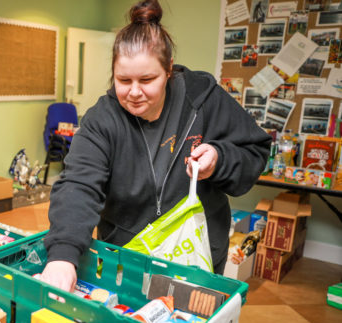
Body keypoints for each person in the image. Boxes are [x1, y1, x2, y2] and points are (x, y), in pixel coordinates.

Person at [40, 0, 272, 292]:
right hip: (127, 258)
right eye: (123, 80)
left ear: (169, 70)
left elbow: (255, 152)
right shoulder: (103, 118)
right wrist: (63, 255)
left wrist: (219, 159)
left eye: (147, 79)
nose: (134, 92)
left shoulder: (204, 99)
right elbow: (78, 184)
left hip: (197, 255)